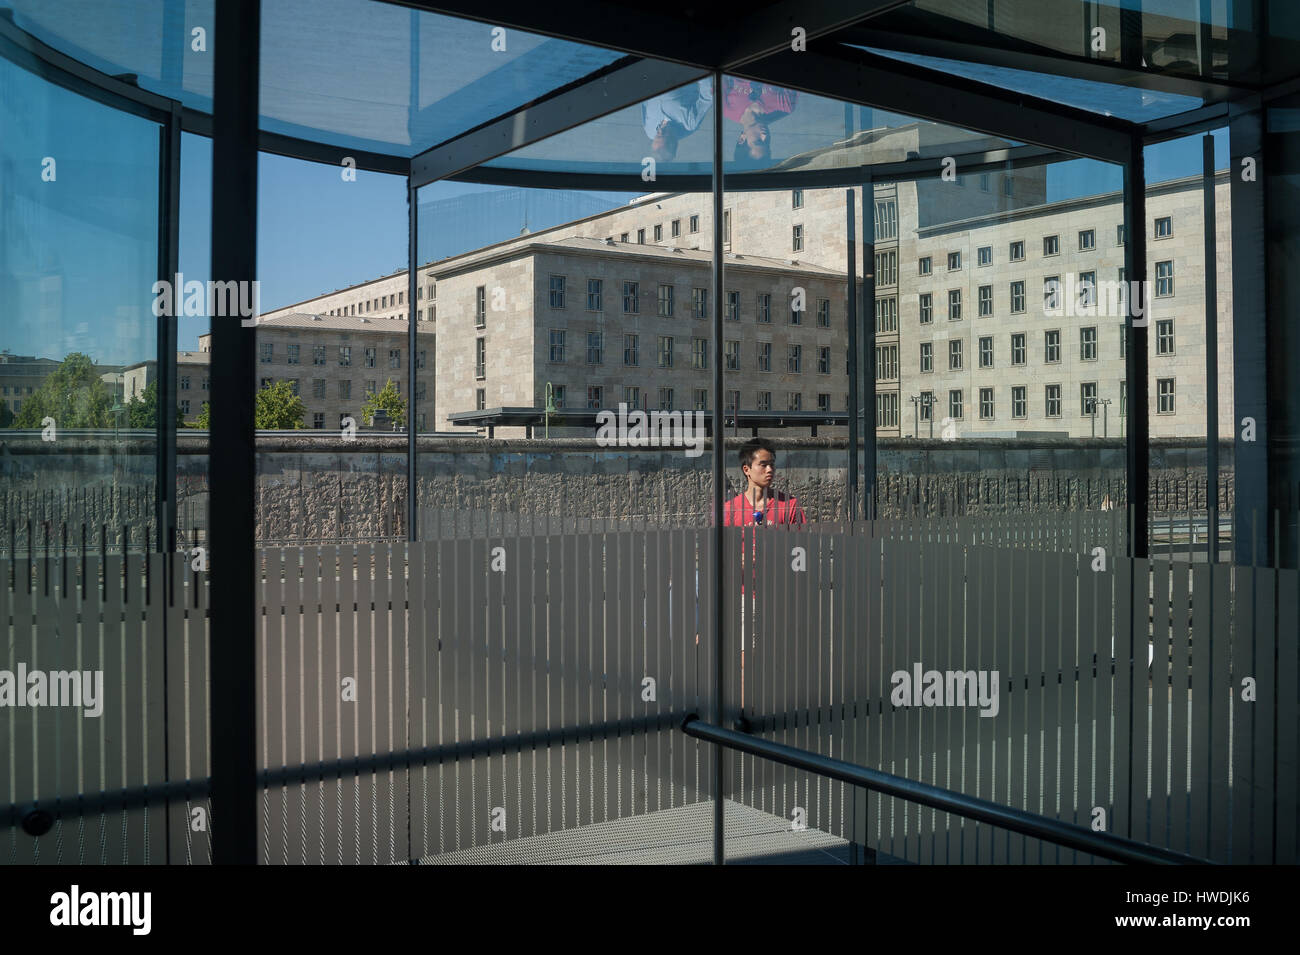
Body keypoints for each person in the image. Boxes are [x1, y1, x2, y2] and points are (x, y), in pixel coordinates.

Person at [721, 78, 797, 169]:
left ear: (741, 139)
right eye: (767, 143)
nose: (765, 136)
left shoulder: (725, 108)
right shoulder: (785, 106)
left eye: (758, 141)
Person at [642, 77, 714, 162]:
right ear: (673, 141)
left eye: (657, 135)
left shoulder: (649, 131)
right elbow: (707, 98)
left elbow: (644, 102)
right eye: (663, 134)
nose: (660, 130)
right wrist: (700, 70)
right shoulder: (689, 123)